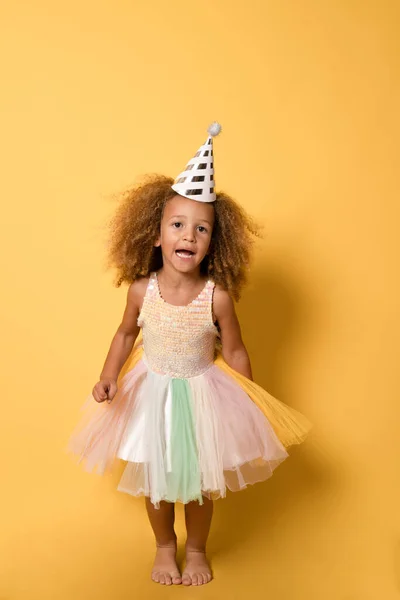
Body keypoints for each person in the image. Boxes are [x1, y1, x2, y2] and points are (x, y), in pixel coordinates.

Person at [66, 123, 312, 587]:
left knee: (198, 484)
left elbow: (236, 350)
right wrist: (108, 377)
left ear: (212, 243)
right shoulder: (143, 290)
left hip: (203, 394)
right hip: (149, 393)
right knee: (156, 480)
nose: (189, 235)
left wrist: (251, 402)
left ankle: (195, 549)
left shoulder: (216, 296)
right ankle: (164, 545)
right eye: (178, 225)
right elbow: (123, 335)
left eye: (202, 229)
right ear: (156, 236)